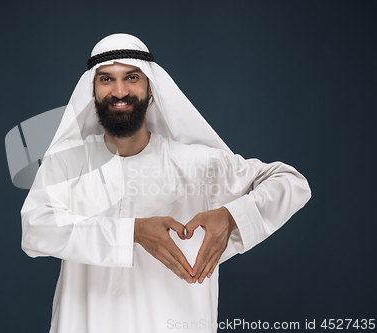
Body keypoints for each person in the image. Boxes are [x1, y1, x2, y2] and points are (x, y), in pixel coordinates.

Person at [20, 33, 311, 333]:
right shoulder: (69, 162)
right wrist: (133, 232)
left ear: (151, 88)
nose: (119, 91)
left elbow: (290, 182)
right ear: (92, 92)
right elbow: (34, 229)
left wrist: (231, 217)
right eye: (106, 79)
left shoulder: (197, 164)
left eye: (131, 77)